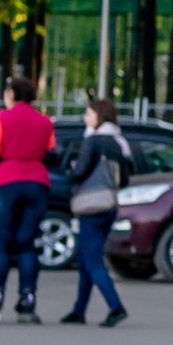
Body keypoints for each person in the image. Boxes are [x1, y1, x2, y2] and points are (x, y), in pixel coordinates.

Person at [0, 75, 56, 323]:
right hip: (37, 182)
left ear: (11, 94)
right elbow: (50, 150)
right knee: (27, 244)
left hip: (7, 180)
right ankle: (27, 299)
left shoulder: (1, 118)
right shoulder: (45, 121)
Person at [61, 96, 132, 327]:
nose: (85, 118)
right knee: (86, 259)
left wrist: (70, 172)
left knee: (92, 262)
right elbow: (125, 179)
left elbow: (79, 172)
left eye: (89, 114)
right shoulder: (117, 142)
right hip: (109, 205)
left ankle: (116, 307)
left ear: (100, 117)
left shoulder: (92, 141)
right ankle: (78, 310)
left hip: (90, 207)